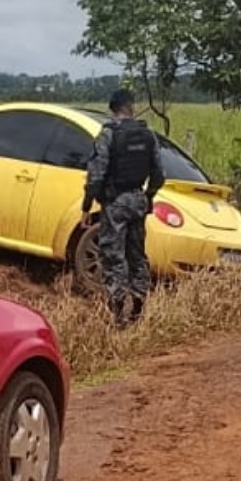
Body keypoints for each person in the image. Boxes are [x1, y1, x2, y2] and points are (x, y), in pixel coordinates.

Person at [83, 89, 165, 327]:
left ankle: (118, 314)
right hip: (138, 200)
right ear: (131, 106)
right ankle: (138, 308)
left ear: (113, 109)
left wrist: (88, 205)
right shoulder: (148, 134)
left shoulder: (108, 135)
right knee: (137, 255)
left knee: (113, 256)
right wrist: (147, 196)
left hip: (115, 203)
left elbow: (96, 174)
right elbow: (159, 174)